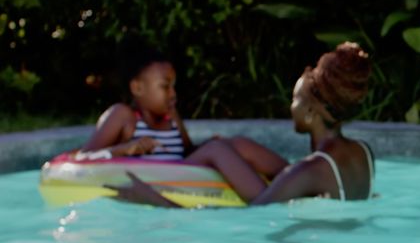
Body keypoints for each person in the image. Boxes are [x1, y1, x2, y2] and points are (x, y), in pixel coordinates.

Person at [110, 42, 375, 206]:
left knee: (216, 150)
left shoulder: (309, 170)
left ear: (308, 113)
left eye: (294, 100)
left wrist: (154, 200)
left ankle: (161, 177)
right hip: (335, 241)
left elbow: (253, 219)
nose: (290, 107)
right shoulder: (364, 152)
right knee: (235, 146)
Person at [84, 47, 288, 201]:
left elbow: (186, 152)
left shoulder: (172, 117)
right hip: (155, 181)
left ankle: (292, 178)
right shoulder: (123, 116)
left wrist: (210, 145)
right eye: (165, 87)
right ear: (137, 88)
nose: (173, 94)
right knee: (216, 149)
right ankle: (266, 201)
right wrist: (125, 149)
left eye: (173, 86)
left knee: (236, 143)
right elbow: (83, 158)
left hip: (180, 174)